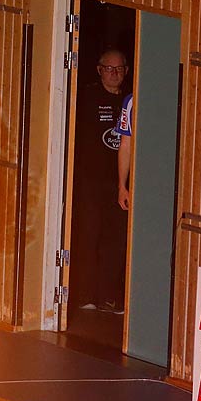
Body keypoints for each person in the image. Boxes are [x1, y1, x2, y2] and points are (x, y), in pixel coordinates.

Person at [70, 46, 132, 315]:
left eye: (119, 69)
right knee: (89, 235)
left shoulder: (131, 100)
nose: (114, 74)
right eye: (109, 68)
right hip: (91, 181)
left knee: (115, 241)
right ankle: (86, 294)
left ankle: (110, 296)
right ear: (99, 70)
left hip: (119, 184)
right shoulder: (87, 97)